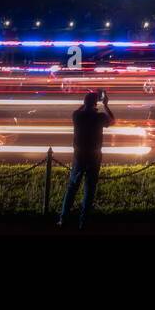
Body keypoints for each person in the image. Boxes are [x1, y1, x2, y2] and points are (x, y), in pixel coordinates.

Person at [58, 90, 115, 229]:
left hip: (79, 155)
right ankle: (83, 222)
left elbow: (79, 110)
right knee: (89, 190)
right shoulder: (99, 117)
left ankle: (63, 219)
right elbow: (112, 120)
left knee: (72, 187)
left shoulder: (77, 115)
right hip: (94, 155)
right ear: (96, 104)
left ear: (84, 103)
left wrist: (85, 104)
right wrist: (106, 105)